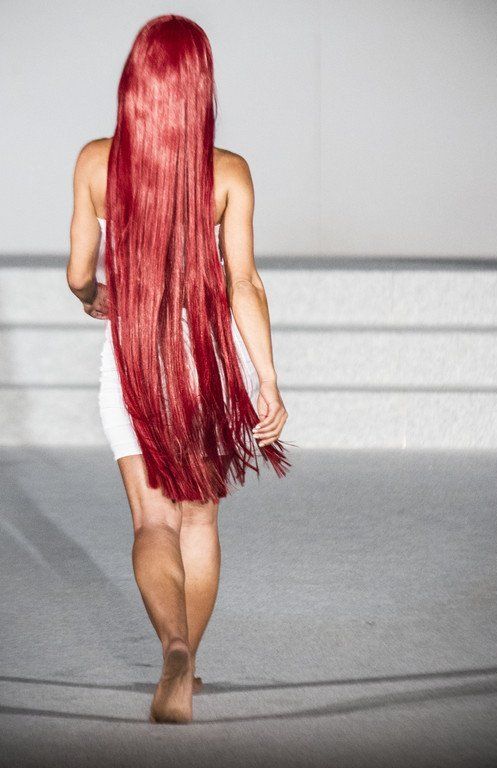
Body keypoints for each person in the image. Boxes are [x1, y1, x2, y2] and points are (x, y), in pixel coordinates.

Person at [66, 15, 290, 724]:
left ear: (134, 81)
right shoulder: (228, 173)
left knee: (151, 522)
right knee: (198, 521)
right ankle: (190, 664)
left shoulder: (96, 163)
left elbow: (77, 273)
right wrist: (268, 379)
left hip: (131, 358)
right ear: (201, 86)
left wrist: (95, 296)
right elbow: (244, 283)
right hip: (202, 366)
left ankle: (172, 647)